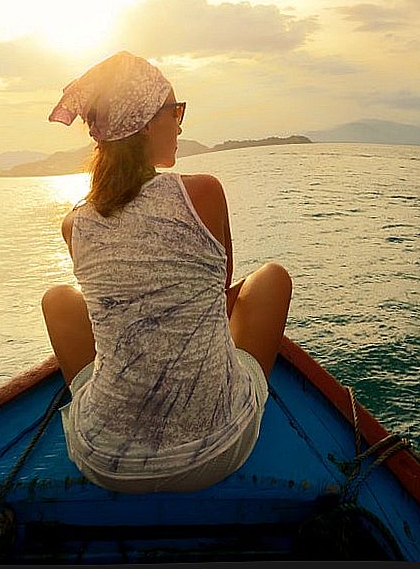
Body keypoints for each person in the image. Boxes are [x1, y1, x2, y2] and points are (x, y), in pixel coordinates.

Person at [42, 51, 292, 494]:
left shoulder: (74, 224)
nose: (180, 125)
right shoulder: (203, 194)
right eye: (174, 112)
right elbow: (220, 292)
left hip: (105, 460)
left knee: (57, 299)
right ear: (144, 125)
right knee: (272, 278)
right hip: (218, 448)